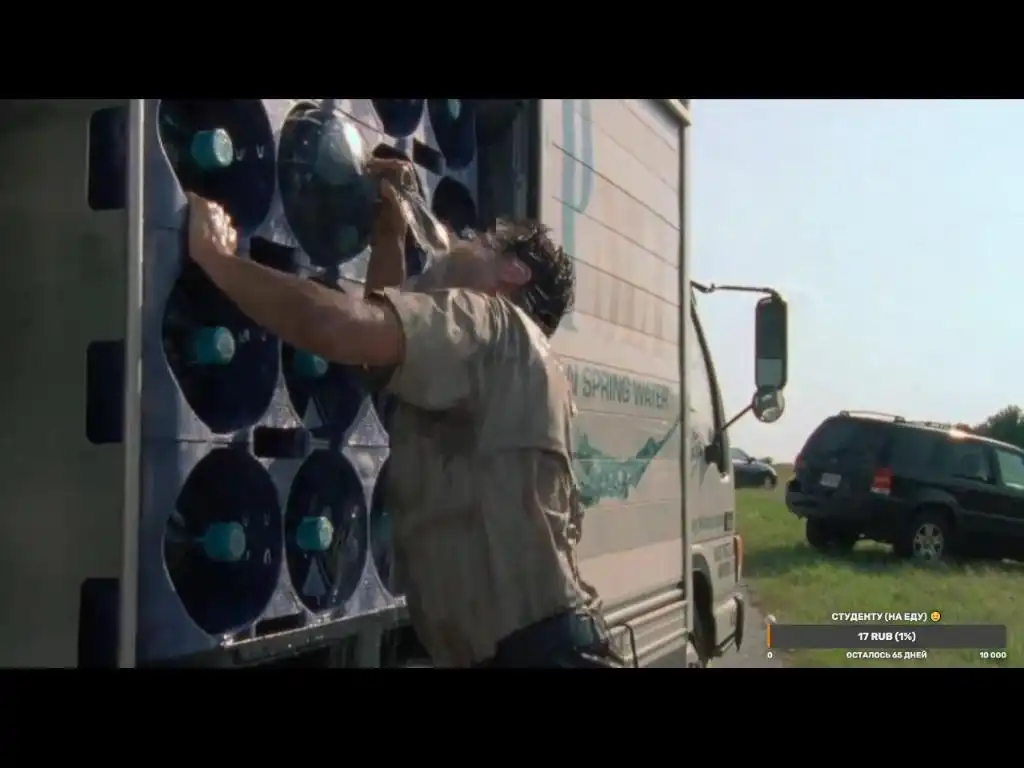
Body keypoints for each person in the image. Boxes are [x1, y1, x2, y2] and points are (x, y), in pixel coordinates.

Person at [185, 158, 624, 668]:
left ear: (512, 272)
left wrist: (218, 259)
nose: (459, 241)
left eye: (481, 239)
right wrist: (390, 236)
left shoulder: (494, 322)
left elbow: (341, 328)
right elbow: (379, 356)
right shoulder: (520, 366)